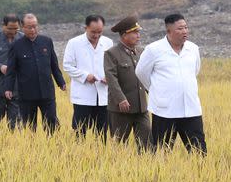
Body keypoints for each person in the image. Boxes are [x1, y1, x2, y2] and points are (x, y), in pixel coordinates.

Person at [136, 14, 206, 155]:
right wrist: (156, 90)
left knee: (199, 151)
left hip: (191, 109)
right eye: (180, 28)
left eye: (186, 27)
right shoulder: (154, 49)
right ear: (168, 31)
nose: (185, 31)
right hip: (165, 111)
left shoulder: (193, 49)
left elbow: (195, 71)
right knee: (162, 152)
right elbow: (141, 73)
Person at [4, 13, 66, 134]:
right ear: (22, 27)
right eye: (29, 27)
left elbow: (54, 65)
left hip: (47, 91)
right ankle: (31, 148)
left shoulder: (47, 41)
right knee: (29, 125)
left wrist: (61, 82)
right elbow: (11, 70)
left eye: (35, 26)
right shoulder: (16, 46)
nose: (33, 29)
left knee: (51, 122)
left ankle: (52, 144)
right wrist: (8, 88)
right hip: (27, 93)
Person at [104, 15, 151, 151]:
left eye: (138, 32)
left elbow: (147, 76)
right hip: (121, 109)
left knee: (147, 144)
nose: (138, 35)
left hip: (141, 107)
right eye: (135, 32)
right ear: (124, 35)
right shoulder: (111, 53)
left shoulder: (141, 52)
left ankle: (146, 168)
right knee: (118, 146)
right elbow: (111, 78)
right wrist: (121, 99)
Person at [63, 15, 114, 140]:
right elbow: (67, 66)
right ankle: (79, 155)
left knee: (102, 132)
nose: (96, 35)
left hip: (103, 94)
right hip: (83, 95)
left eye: (99, 32)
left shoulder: (108, 42)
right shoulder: (74, 43)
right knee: (80, 131)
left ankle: (100, 155)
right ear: (85, 28)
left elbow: (113, 65)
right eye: (93, 32)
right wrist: (85, 76)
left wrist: (109, 77)